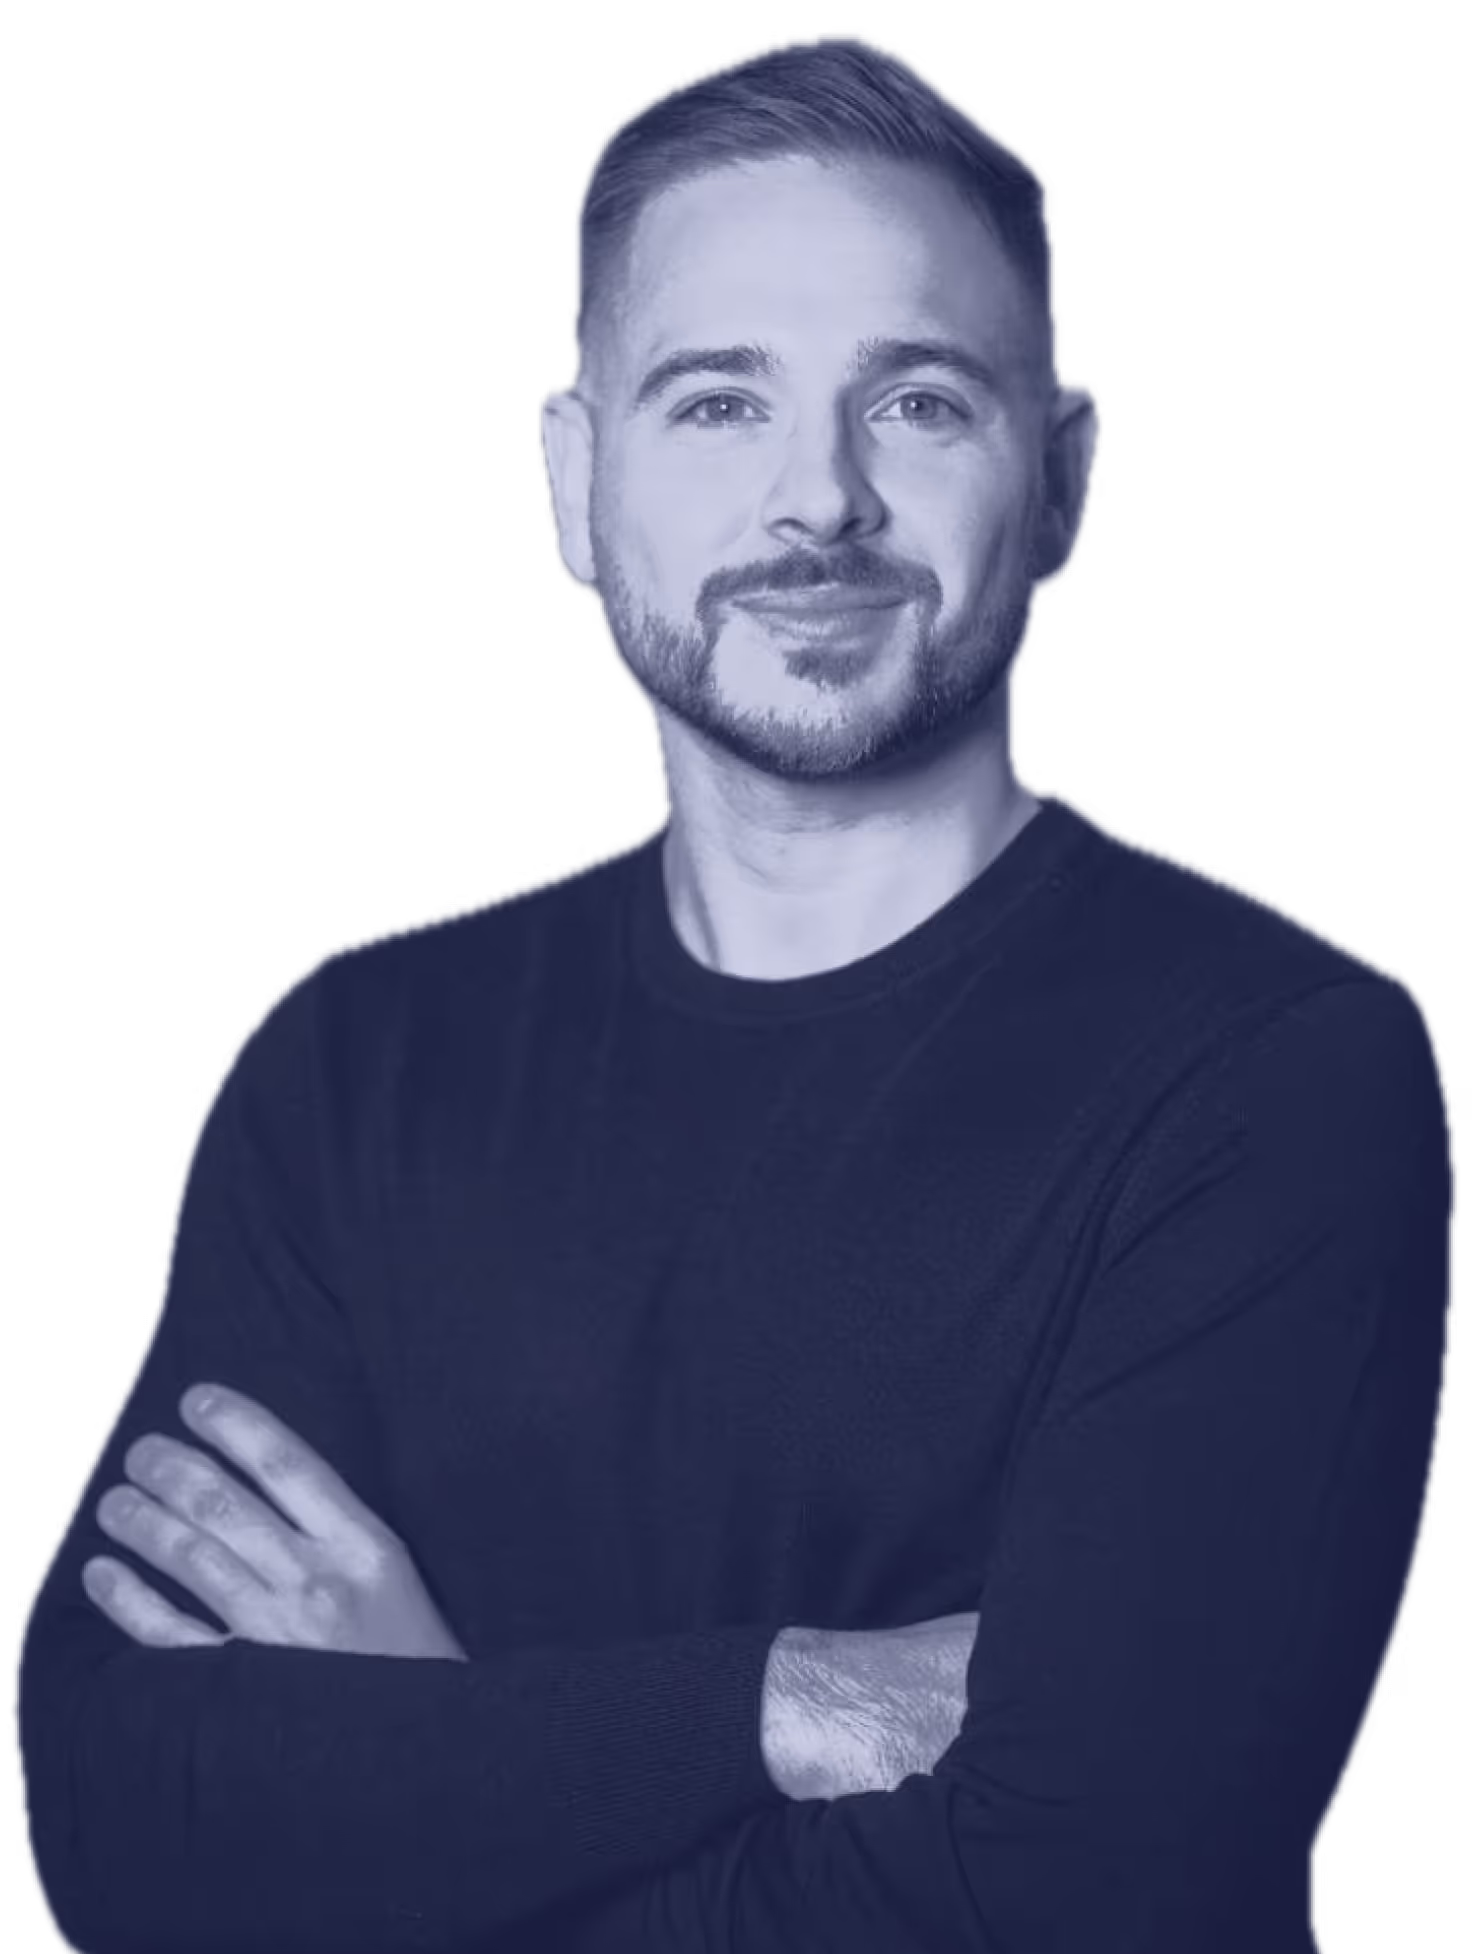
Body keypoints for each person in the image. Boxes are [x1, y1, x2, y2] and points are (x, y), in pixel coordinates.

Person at [14, 30, 1452, 1954]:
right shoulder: (359, 1059)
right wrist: (784, 1700)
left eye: (918, 402)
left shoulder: (1275, 1069)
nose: (818, 501)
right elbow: (125, 1827)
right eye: (718, 403)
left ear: (1063, 482)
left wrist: (436, 1752)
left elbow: (1089, 1896)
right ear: (573, 481)